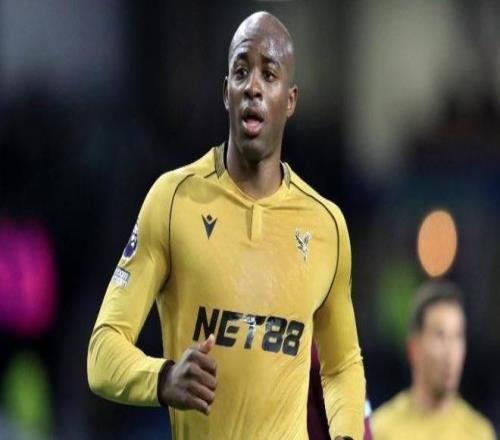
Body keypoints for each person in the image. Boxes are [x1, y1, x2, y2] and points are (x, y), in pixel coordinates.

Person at [87, 11, 365, 440]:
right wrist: (162, 378)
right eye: (241, 72)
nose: (253, 86)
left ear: (290, 100)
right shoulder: (173, 200)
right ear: (226, 93)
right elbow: (102, 351)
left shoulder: (326, 225)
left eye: (268, 74)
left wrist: (346, 435)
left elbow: (342, 365)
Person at [372, 280, 496, 440]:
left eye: (457, 336)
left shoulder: (479, 433)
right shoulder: (380, 430)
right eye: (440, 335)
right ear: (414, 348)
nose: (450, 351)